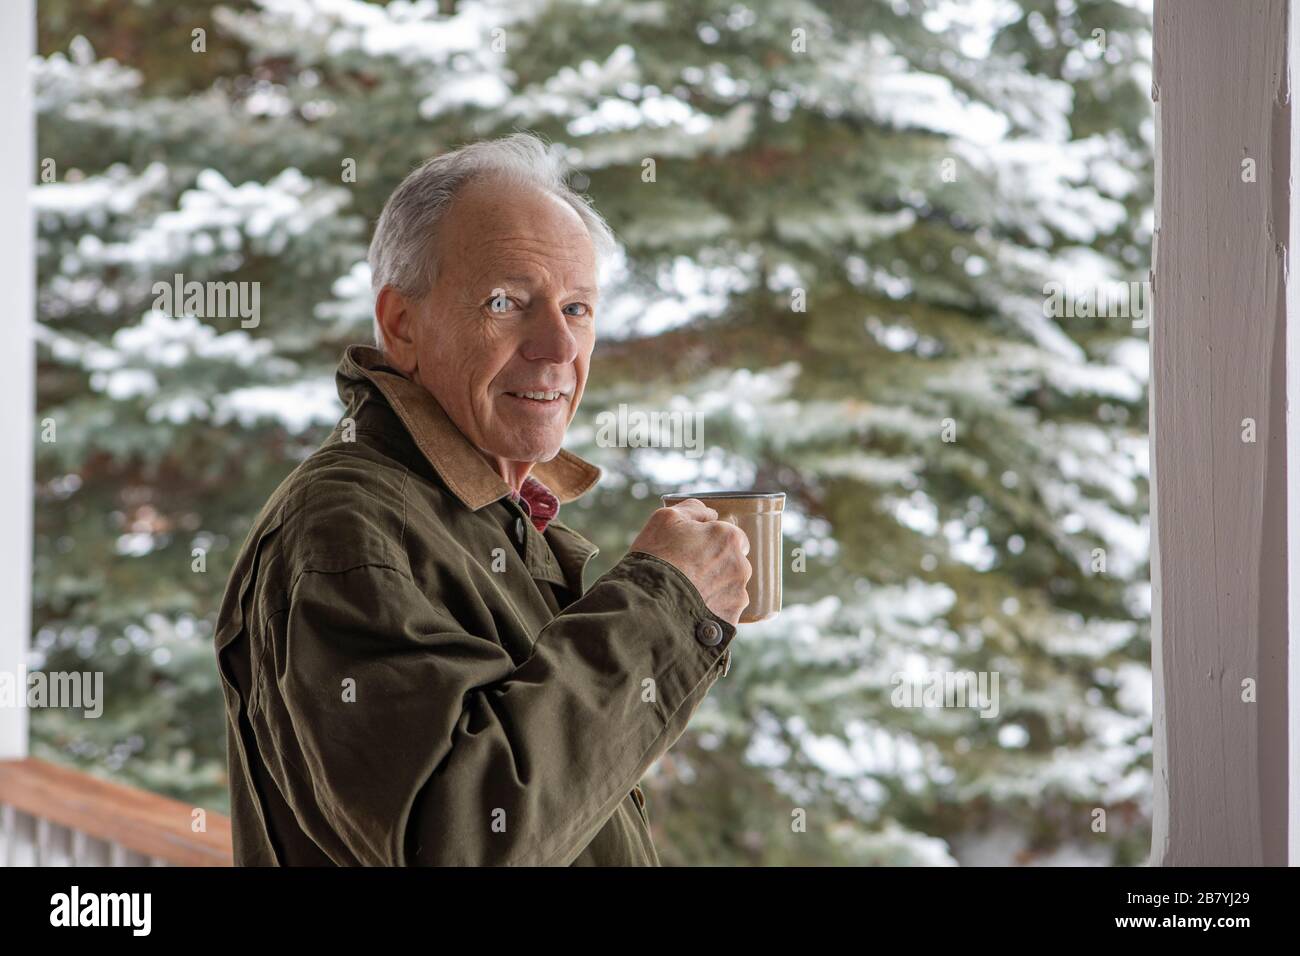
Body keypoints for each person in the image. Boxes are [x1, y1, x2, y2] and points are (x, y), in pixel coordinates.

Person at [213, 132, 751, 865]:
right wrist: (665, 602)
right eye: (508, 302)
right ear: (402, 325)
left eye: (578, 309)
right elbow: (459, 839)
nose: (558, 348)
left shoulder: (489, 513)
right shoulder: (347, 531)